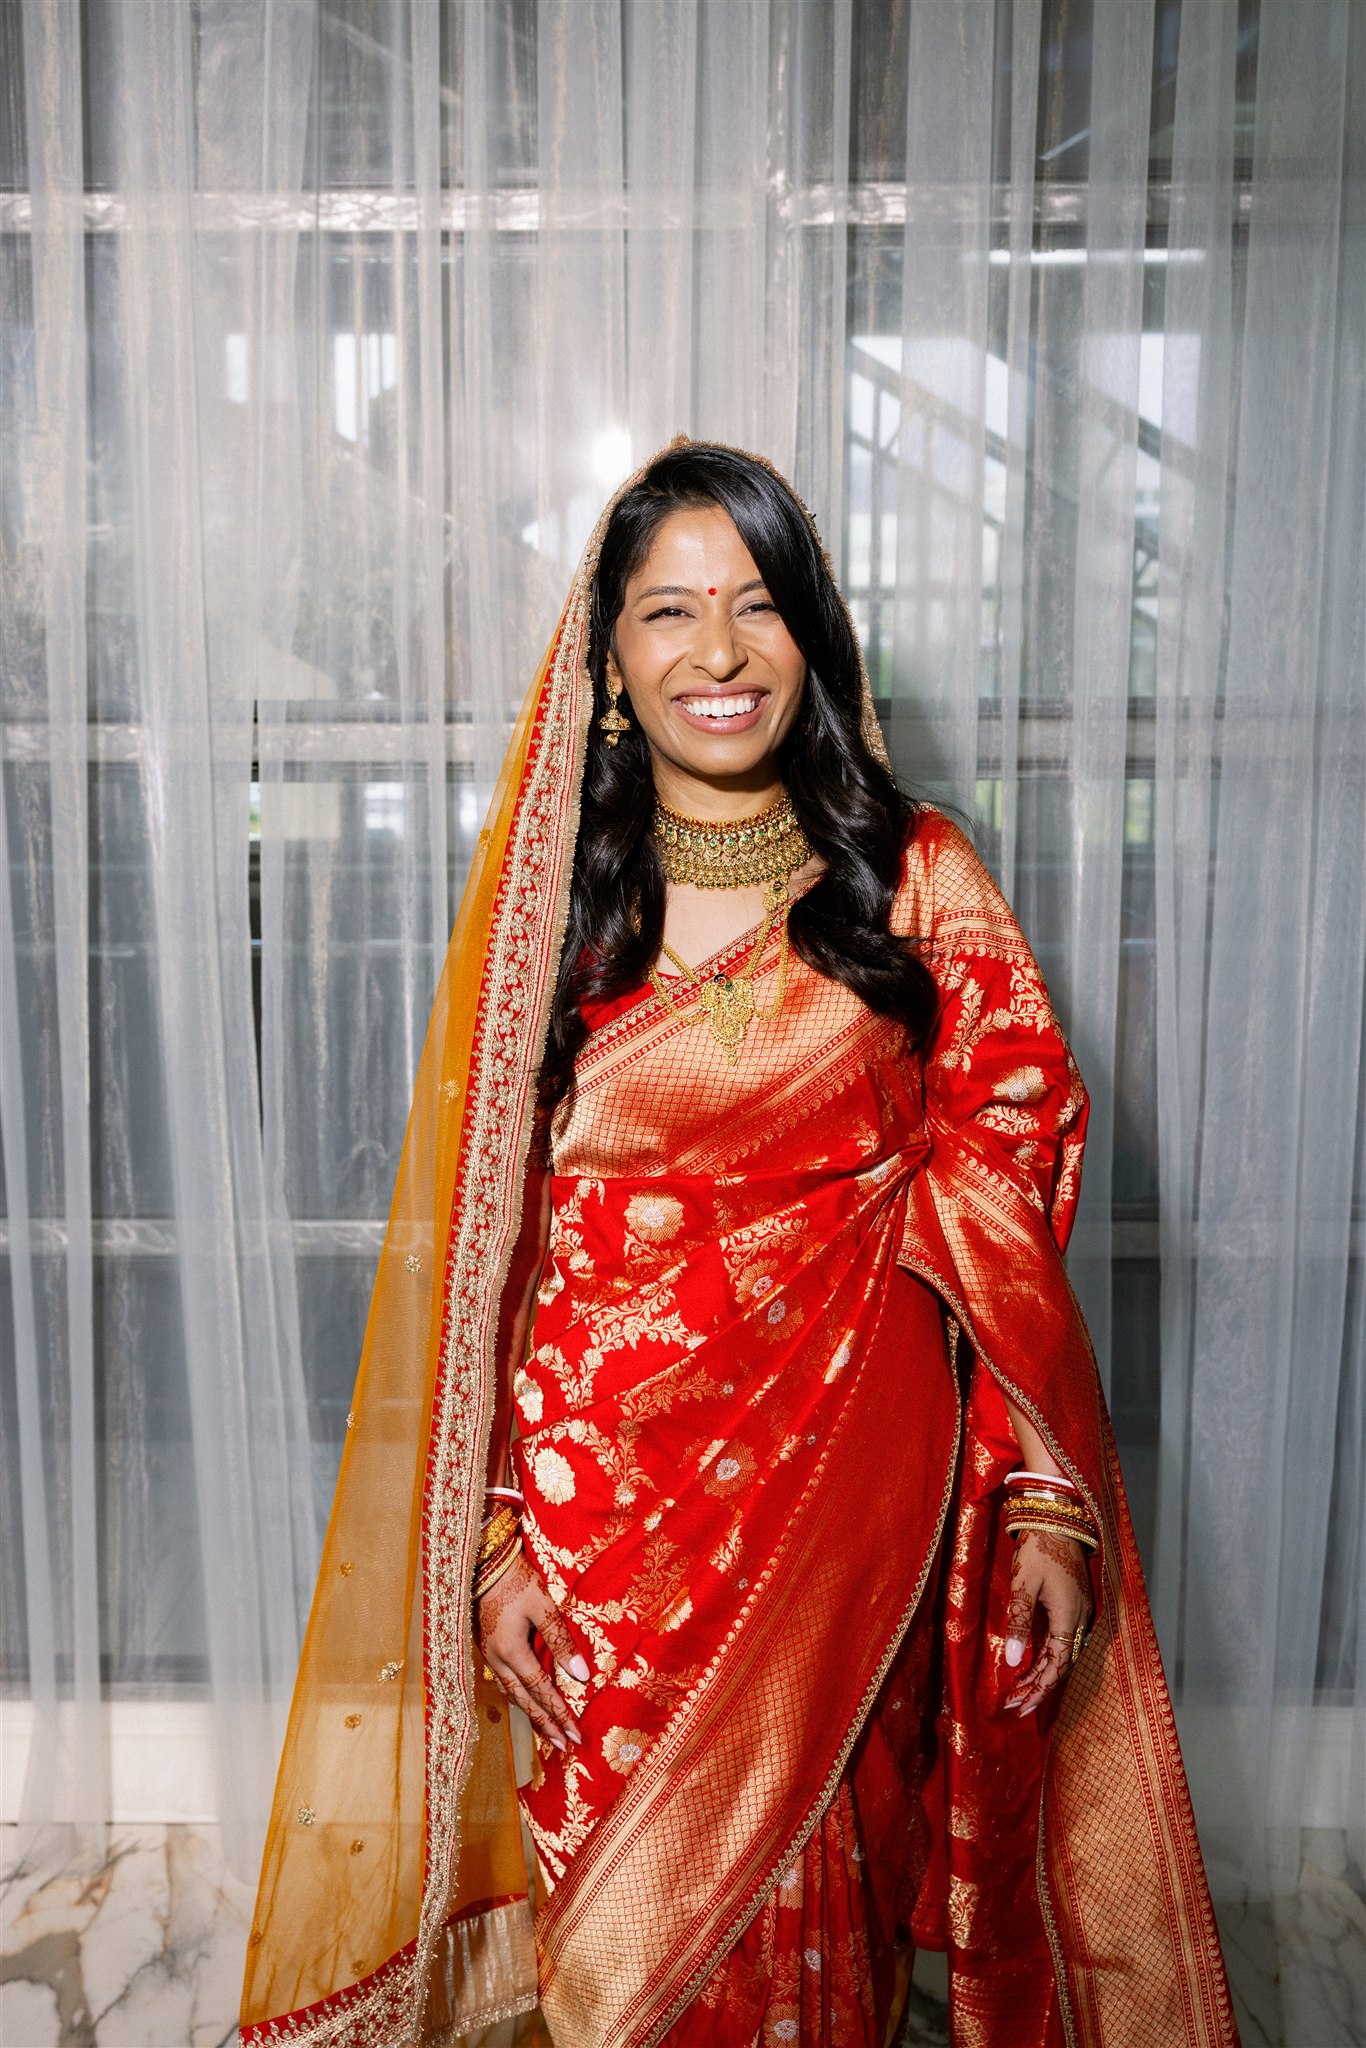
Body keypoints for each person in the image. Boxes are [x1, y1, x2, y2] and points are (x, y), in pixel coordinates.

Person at [240, 442, 1239, 2048]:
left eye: (757, 603)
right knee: (625, 1951)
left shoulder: (913, 880)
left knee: (826, 1905)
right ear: (611, 664)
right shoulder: (555, 911)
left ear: (813, 633)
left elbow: (1006, 1187)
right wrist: (495, 1533)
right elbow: (491, 1253)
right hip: (594, 1525)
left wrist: (1042, 1496)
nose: (718, 650)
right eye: (669, 612)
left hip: (855, 1506)